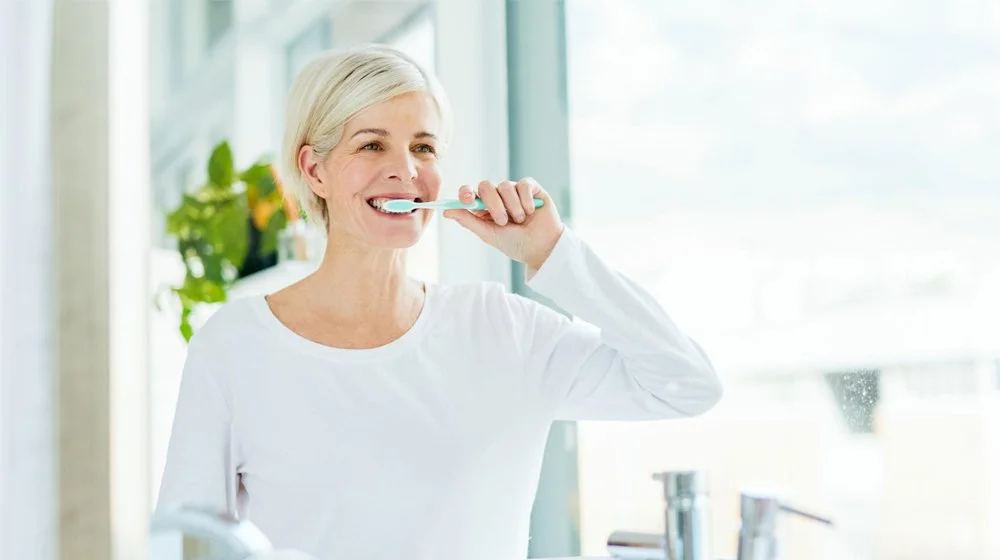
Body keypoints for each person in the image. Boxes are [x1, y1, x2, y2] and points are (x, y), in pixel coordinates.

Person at [157, 44, 722, 560]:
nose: (405, 169)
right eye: (372, 144)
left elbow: (686, 384)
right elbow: (186, 545)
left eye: (422, 147)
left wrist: (553, 253)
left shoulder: (504, 329)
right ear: (314, 169)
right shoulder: (235, 347)